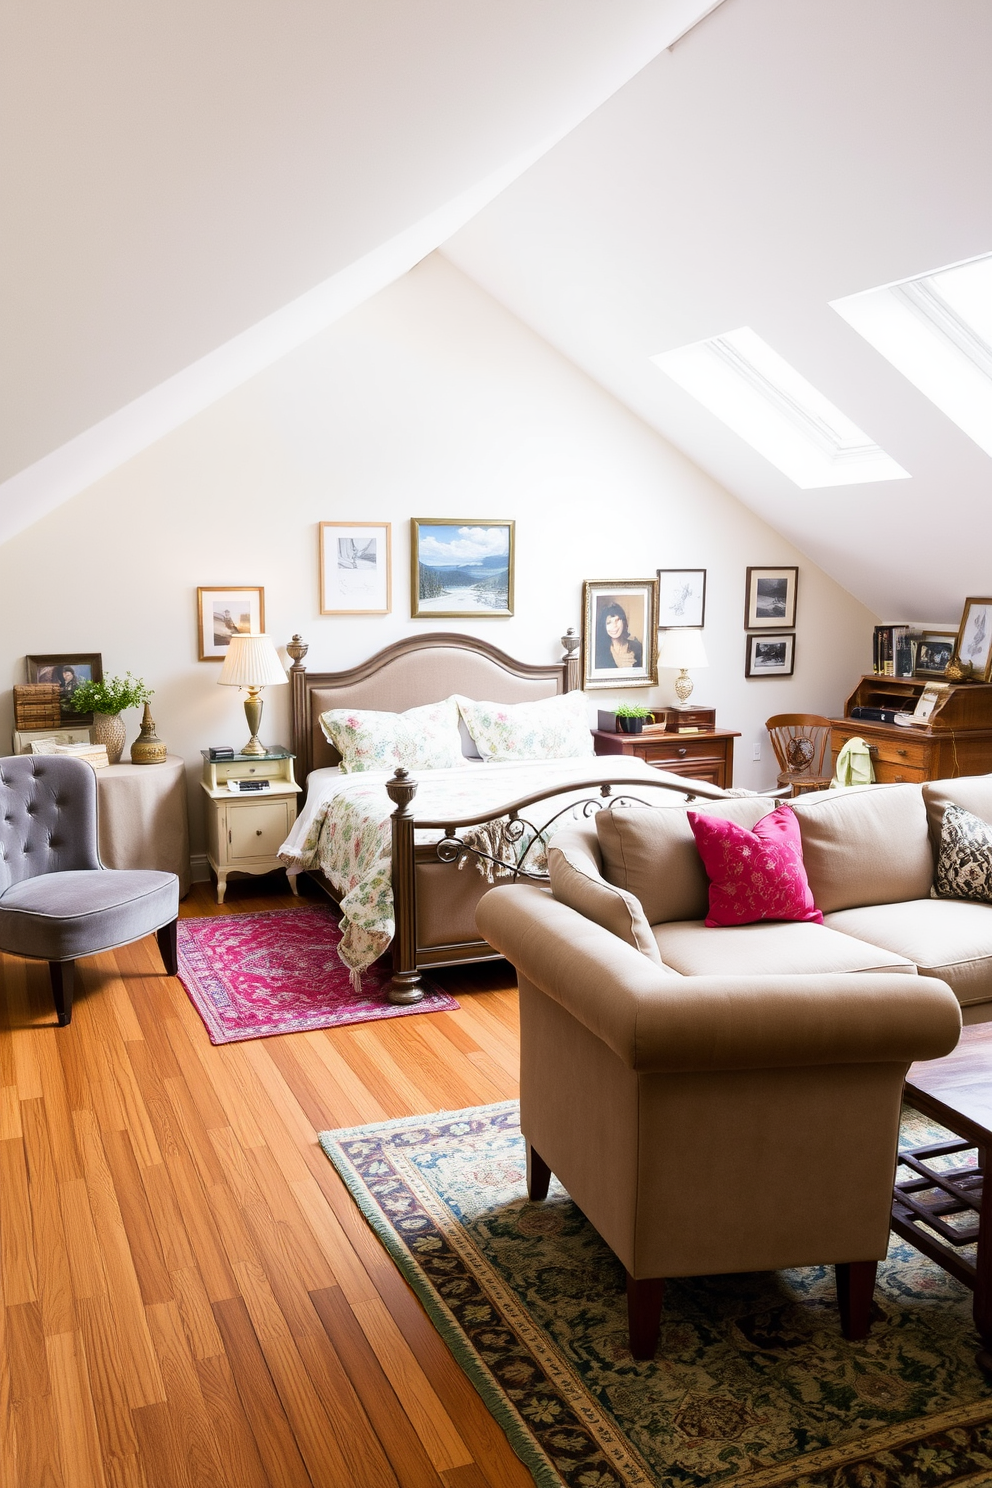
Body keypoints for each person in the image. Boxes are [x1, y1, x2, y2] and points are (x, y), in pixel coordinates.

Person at [595, 601, 643, 670]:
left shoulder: (637, 647)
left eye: (617, 620)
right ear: (603, 626)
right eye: (609, 623)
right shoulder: (599, 651)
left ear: (623, 621)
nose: (614, 626)